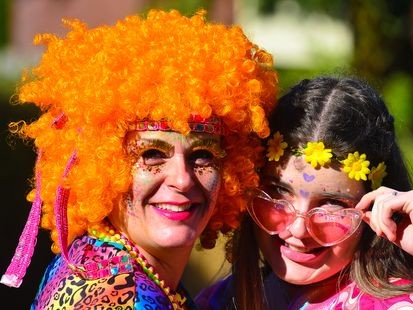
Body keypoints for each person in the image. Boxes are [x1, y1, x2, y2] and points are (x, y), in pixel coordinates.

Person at [0, 9, 277, 309]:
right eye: (152, 155)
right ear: (103, 168)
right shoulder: (123, 296)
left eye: (203, 156)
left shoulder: (99, 259)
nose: (182, 179)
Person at [196, 76, 413, 309]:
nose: (299, 230)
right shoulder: (221, 301)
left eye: (331, 205)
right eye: (277, 194)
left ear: (373, 210)